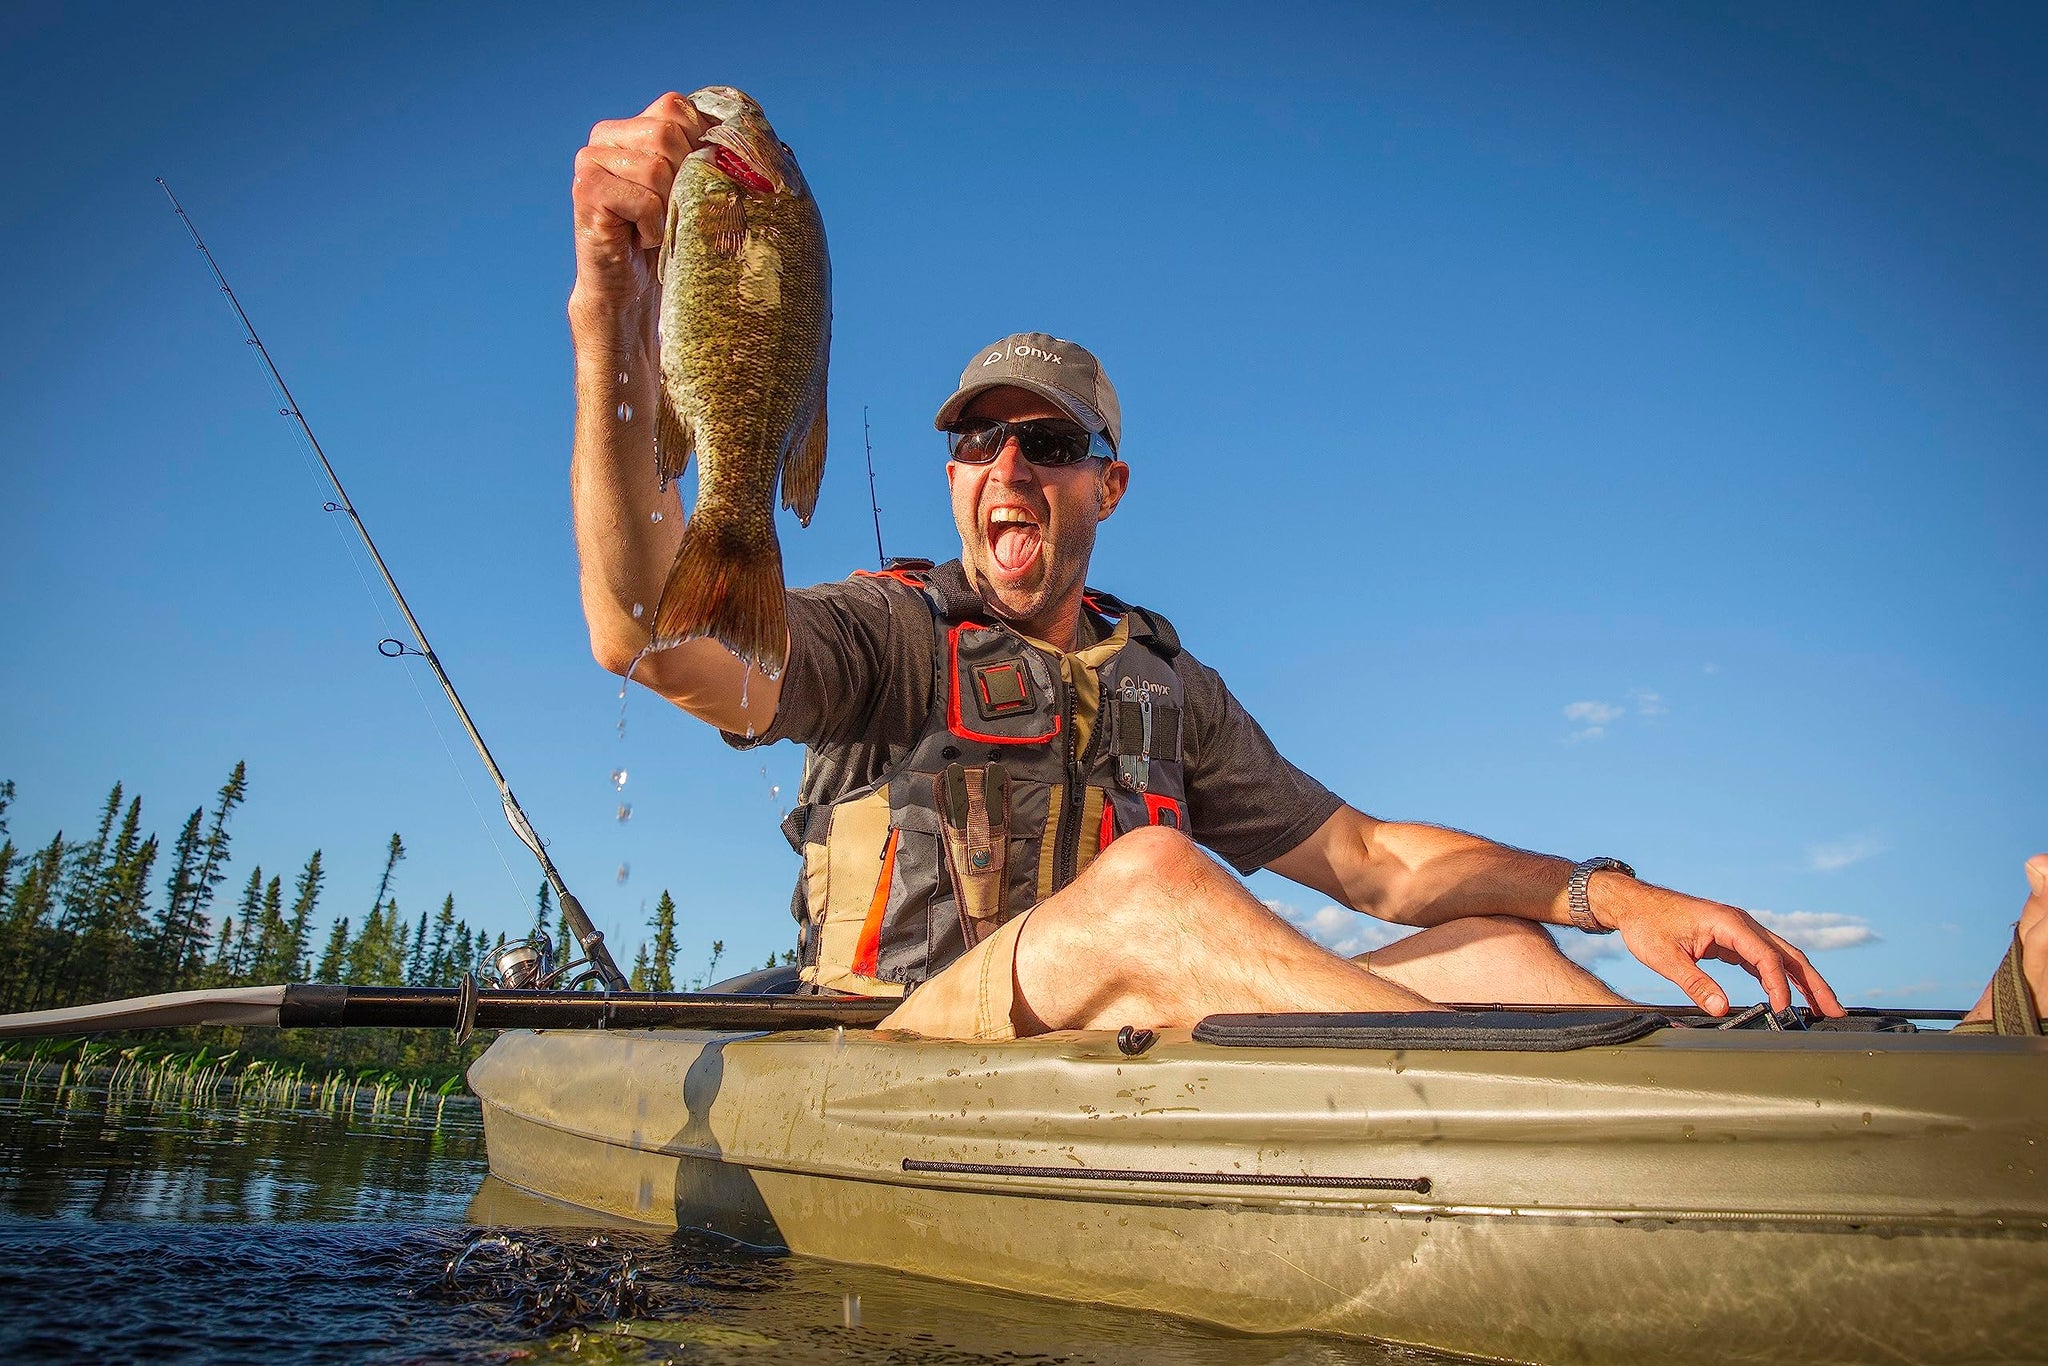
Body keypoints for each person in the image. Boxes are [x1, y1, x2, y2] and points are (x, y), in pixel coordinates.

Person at [568, 93, 2043, 1040]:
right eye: (977, 441)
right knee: (1155, 876)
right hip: (912, 1053)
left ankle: (1847, 1095)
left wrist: (1607, 893)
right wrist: (609, 307)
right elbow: (643, 632)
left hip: (1106, 1065)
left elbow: (1374, 863)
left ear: (1106, 486)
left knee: (1490, 945)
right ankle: (1541, 1120)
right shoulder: (884, 636)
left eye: (1048, 443)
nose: (1007, 467)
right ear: (954, 474)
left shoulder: (1166, 686)